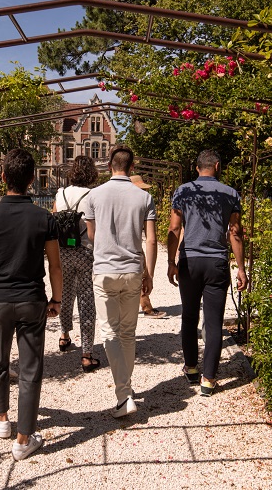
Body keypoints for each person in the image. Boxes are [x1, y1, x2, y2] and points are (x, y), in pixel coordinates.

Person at [0, 149, 62, 461]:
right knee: (31, 368)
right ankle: (23, 439)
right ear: (32, 179)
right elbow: (55, 266)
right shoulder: (44, 218)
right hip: (32, 298)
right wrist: (56, 299)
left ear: (3, 177)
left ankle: (2, 418)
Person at [167, 149, 248, 397]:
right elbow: (235, 233)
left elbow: (174, 228)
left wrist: (171, 262)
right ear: (217, 165)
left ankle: (191, 367)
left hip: (190, 261)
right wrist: (241, 267)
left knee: (189, 316)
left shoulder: (183, 191)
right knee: (213, 321)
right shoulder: (231, 193)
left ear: (197, 168)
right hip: (216, 263)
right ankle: (209, 379)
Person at [84, 146, 156, 418]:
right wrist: (149, 273)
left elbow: (91, 235)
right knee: (128, 332)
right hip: (132, 270)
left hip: (104, 270)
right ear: (132, 166)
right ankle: (126, 389)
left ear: (109, 166)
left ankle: (123, 394)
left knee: (110, 332)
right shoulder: (144, 197)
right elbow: (149, 239)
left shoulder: (94, 195)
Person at [52, 155, 101, 373]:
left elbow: (53, 221)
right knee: (86, 298)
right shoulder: (93, 195)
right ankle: (87, 353)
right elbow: (93, 230)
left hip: (63, 252)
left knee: (65, 294)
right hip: (85, 252)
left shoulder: (60, 193)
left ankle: (64, 336)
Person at [130, 174, 166, 319]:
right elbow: (151, 238)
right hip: (135, 247)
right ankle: (147, 308)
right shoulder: (141, 203)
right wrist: (150, 275)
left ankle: (146, 306)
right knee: (142, 275)